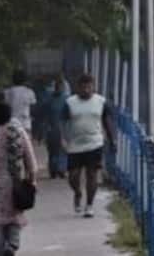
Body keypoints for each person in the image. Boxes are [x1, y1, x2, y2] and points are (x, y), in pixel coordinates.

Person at [59, 76, 107, 219]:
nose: (86, 90)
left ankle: (89, 205)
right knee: (73, 176)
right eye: (83, 87)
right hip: (75, 144)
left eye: (89, 87)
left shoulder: (101, 101)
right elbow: (62, 121)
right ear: (78, 88)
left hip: (95, 143)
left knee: (92, 175)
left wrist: (112, 139)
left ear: (93, 87)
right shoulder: (70, 103)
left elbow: (106, 119)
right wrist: (62, 138)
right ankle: (78, 192)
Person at [0, 98, 35, 255]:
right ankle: (12, 245)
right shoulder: (17, 132)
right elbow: (30, 161)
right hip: (14, 182)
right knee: (14, 217)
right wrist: (31, 180)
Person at [33, 81, 62, 183]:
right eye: (57, 87)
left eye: (59, 87)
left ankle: (57, 169)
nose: (57, 89)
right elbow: (42, 116)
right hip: (52, 129)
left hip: (58, 129)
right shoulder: (51, 101)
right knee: (53, 151)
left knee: (57, 151)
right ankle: (55, 170)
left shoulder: (63, 100)